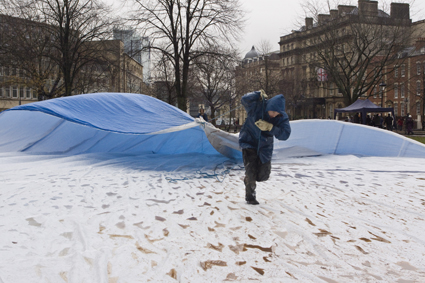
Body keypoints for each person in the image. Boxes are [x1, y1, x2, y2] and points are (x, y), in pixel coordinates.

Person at [239, 90, 291, 205]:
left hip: (265, 146)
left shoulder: (282, 117)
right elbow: (244, 99)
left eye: (276, 113)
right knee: (251, 171)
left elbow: (285, 134)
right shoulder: (257, 106)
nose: (273, 114)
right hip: (249, 142)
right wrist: (257, 94)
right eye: (272, 111)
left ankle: (248, 179)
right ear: (268, 107)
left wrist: (271, 127)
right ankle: (250, 197)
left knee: (263, 175)